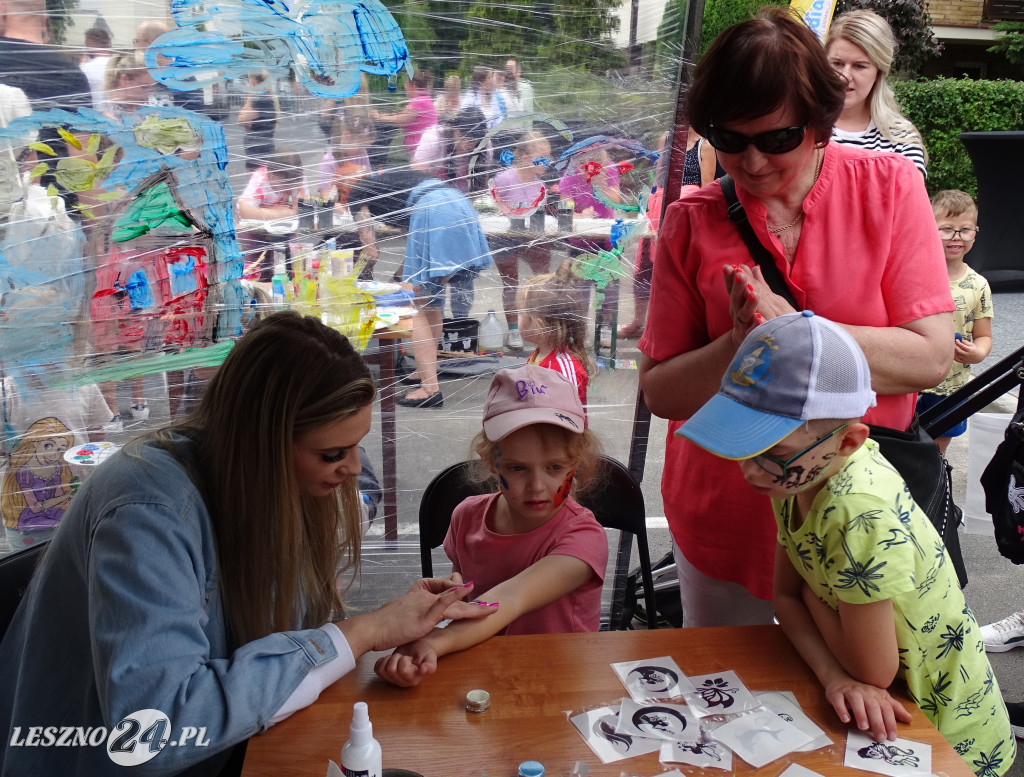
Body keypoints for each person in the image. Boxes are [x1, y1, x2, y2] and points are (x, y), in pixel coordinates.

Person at [0, 311, 497, 776]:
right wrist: (361, 634)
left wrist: (386, 628)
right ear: (263, 443)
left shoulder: (260, 486)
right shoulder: (147, 515)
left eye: (355, 446)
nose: (351, 471)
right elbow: (151, 730)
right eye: (333, 454)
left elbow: (280, 637)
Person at [637, 9, 954, 628]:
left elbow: (928, 357)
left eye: (776, 138)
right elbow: (659, 392)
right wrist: (736, 342)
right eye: (729, 140)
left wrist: (792, 333)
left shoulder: (889, 188)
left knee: (858, 704)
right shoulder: (691, 220)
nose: (752, 163)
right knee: (728, 702)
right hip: (725, 518)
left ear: (819, 124)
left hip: (856, 517)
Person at [679, 311, 1013, 772]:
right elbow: (785, 596)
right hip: (886, 704)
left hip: (941, 730)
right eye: (744, 444)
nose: (750, 469)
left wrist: (816, 606)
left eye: (771, 451)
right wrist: (834, 674)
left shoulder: (860, 511)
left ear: (850, 442)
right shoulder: (793, 478)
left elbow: (871, 671)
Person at [373, 364, 607, 687]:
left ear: (576, 462)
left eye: (554, 467)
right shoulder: (465, 518)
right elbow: (467, 598)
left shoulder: (583, 538)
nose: (537, 486)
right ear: (489, 461)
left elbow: (511, 598)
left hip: (560, 683)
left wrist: (433, 642)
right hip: (483, 677)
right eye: (518, 467)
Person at [347, 170, 492, 408]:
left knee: (415, 304)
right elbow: (414, 242)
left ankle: (429, 389)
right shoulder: (395, 186)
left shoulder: (357, 195)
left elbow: (370, 252)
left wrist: (358, 281)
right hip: (458, 204)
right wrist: (401, 276)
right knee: (430, 298)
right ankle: (426, 372)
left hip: (433, 212)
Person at [916, 190, 993, 455]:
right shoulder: (913, 276)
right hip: (910, 381)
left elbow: (983, 335)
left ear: (975, 232)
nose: (956, 237)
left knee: (936, 450)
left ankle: (935, 487)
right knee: (900, 445)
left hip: (952, 387)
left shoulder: (978, 285)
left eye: (965, 230)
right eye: (946, 229)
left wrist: (979, 351)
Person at [825, 10, 928, 178]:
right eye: (837, 63)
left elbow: (909, 202)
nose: (845, 76)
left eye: (859, 66)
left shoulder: (901, 139)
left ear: (878, 73)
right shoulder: (803, 127)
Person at [490, 129, 554, 348]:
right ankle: (514, 329)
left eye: (549, 156)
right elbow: (491, 209)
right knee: (511, 284)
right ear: (526, 157)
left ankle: (541, 325)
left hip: (532, 238)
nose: (549, 162)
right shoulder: (504, 179)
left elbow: (539, 215)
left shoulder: (540, 185)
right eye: (544, 157)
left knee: (543, 281)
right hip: (506, 237)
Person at [518, 260, 592, 413]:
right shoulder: (537, 356)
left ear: (539, 325)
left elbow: (570, 419)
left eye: (520, 313)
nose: (517, 317)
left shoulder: (563, 370)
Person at [369, 68, 437, 157]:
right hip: (422, 150)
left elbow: (400, 119)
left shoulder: (419, 102)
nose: (404, 86)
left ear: (413, 85)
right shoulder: (424, 99)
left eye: (406, 83)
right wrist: (380, 115)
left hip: (421, 152)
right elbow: (400, 114)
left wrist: (378, 117)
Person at [237, 71, 280, 171]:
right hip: (254, 152)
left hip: (261, 154)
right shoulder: (260, 99)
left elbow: (241, 119)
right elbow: (247, 125)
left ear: (255, 83)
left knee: (258, 184)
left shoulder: (262, 100)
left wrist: (249, 97)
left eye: (249, 82)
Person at [80, 25, 111, 110]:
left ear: (90, 43)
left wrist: (82, 64)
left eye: (85, 45)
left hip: (98, 117)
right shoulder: (119, 64)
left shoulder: (87, 69)